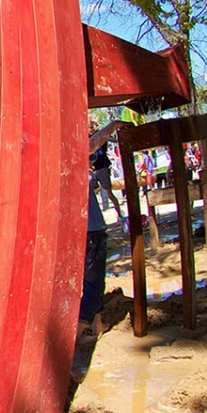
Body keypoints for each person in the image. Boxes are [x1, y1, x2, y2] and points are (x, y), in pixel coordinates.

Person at [78, 119, 123, 342]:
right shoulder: (70, 151)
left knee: (89, 279)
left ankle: (97, 325)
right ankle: (76, 335)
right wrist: (112, 126)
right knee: (93, 283)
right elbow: (93, 145)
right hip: (91, 228)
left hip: (81, 229)